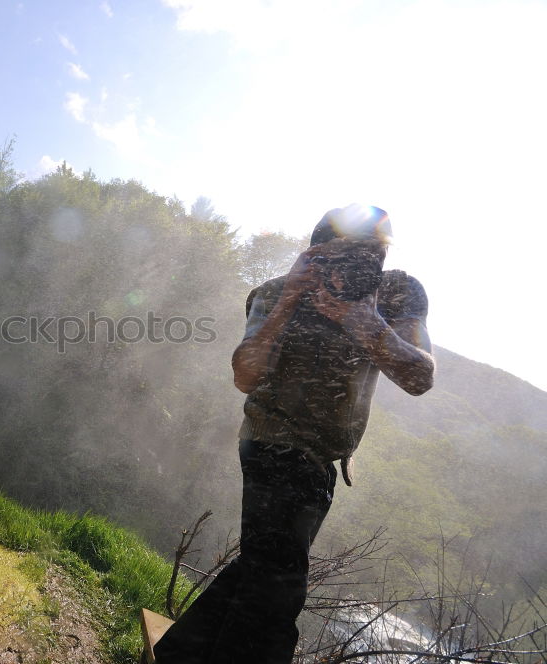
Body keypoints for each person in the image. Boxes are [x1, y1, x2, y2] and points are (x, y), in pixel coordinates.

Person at [153, 204, 435, 663]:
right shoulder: (275, 292)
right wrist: (288, 302)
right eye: (339, 255)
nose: (352, 267)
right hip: (269, 441)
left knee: (263, 565)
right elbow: (245, 374)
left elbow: (419, 377)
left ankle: (179, 652)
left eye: (369, 256)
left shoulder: (397, 292)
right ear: (314, 253)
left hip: (324, 458)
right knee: (277, 590)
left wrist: (362, 320)